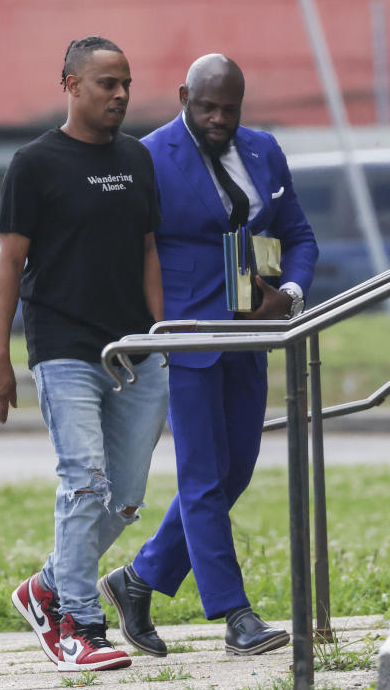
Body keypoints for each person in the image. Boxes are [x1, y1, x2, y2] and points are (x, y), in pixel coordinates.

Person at [99, 54, 318, 658]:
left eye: (230, 107)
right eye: (207, 107)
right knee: (201, 477)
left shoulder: (264, 149)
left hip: (253, 334)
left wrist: (289, 295)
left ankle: (137, 580)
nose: (219, 118)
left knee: (234, 471)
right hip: (188, 334)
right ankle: (234, 615)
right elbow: (125, 249)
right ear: (183, 97)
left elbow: (295, 234)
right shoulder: (147, 156)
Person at [0, 36, 170, 672]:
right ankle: (79, 626)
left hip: (135, 352)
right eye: (105, 84)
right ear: (70, 84)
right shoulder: (34, 163)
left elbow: (148, 251)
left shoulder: (138, 159)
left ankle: (46, 587)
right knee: (84, 482)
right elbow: (9, 263)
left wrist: (162, 332)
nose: (119, 95)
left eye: (125, 85)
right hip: (64, 349)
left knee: (124, 497)